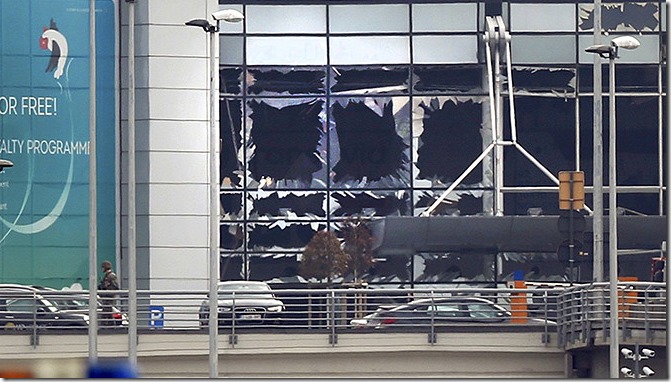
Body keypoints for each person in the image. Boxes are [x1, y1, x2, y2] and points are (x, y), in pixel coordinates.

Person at [98, 261, 119, 326]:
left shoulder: (111, 276)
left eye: (103, 267)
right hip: (106, 297)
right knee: (107, 312)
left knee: (106, 312)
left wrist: (106, 288)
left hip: (109, 297)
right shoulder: (107, 276)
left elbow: (115, 287)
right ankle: (110, 326)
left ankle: (108, 326)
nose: (102, 269)